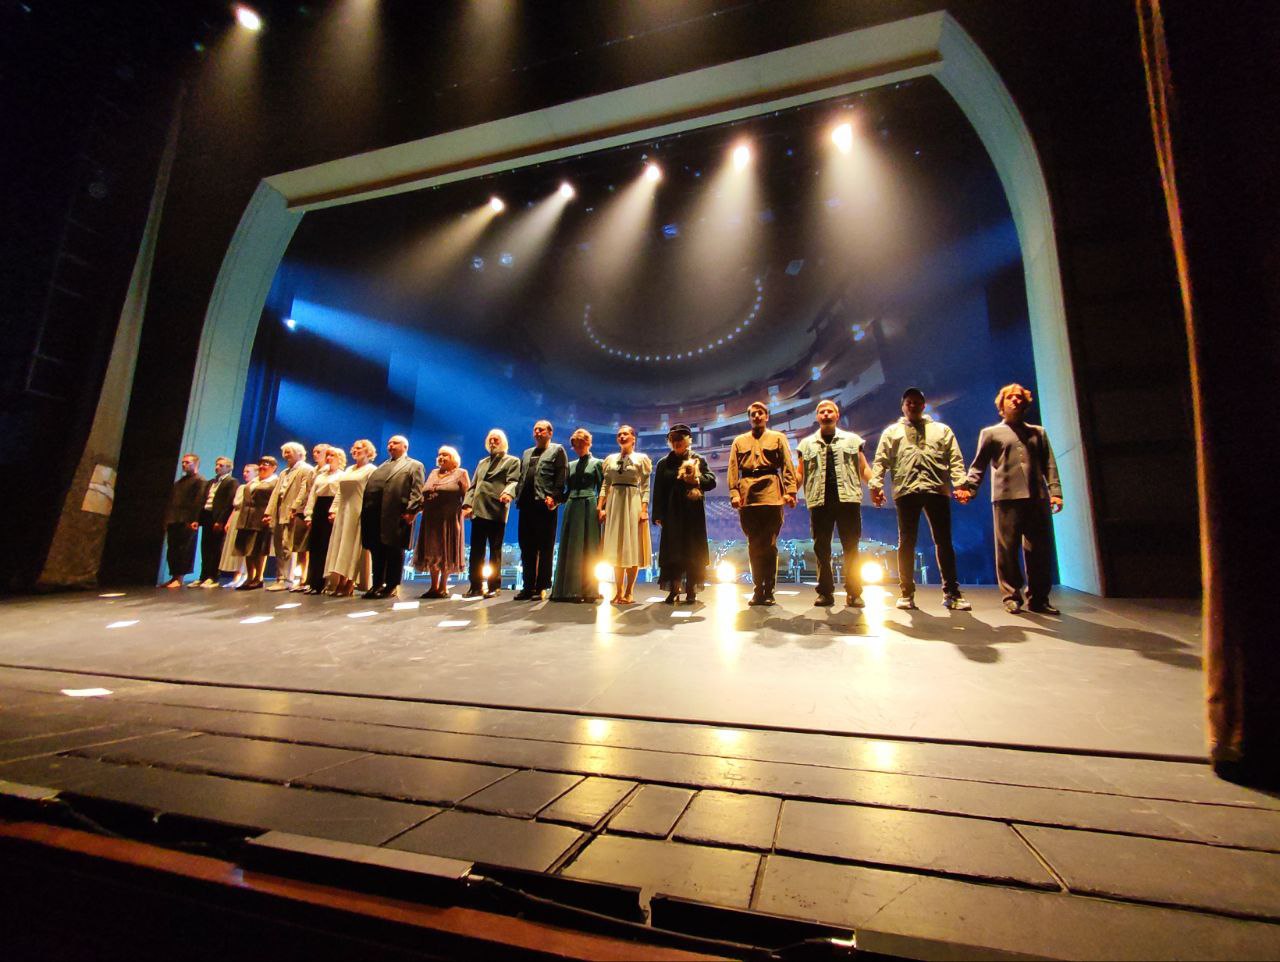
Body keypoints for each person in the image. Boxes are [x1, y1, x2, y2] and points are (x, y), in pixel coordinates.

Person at [960, 382, 1064, 615]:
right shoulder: (991, 433)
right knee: (1007, 550)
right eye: (1010, 397)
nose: (1015, 400)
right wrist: (970, 489)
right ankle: (1011, 596)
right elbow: (978, 465)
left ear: (1025, 403)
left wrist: (1055, 492)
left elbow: (1049, 464)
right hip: (1006, 497)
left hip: (1036, 497)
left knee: (1039, 551)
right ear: (1001, 404)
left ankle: (1039, 598)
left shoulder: (1038, 432)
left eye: (1019, 397)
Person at [870, 387, 971, 611]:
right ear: (903, 406)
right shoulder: (892, 432)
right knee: (906, 542)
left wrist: (960, 484)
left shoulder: (942, 430)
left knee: (944, 541)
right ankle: (906, 593)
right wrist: (876, 486)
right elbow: (880, 461)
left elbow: (955, 459)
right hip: (906, 491)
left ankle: (952, 593)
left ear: (923, 405)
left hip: (937, 490)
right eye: (909, 402)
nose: (913, 405)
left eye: (917, 402)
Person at [796, 400, 871, 608]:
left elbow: (863, 468)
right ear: (817, 417)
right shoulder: (806, 444)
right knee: (822, 549)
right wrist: (791, 490)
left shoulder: (853, 440)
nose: (826, 414)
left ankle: (854, 593)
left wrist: (874, 485)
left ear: (837, 415)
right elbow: (800, 473)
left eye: (830, 411)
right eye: (822, 412)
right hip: (819, 501)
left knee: (851, 548)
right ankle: (825, 593)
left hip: (848, 500)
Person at [728, 402, 798, 606]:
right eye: (753, 414)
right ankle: (758, 589)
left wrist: (791, 491)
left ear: (766, 416)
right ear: (749, 418)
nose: (757, 416)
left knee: (769, 544)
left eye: (760, 413)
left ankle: (769, 589)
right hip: (748, 495)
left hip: (771, 493)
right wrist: (734, 493)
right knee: (753, 544)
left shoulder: (778, 437)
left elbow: (787, 464)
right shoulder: (739, 441)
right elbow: (733, 468)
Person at [651, 424, 715, 604]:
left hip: (693, 513)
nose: (677, 442)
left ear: (688, 440)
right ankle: (674, 589)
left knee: (692, 552)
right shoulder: (663, 463)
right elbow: (658, 491)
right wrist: (658, 514)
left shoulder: (698, 459)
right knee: (673, 552)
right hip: (672, 513)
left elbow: (711, 481)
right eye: (673, 439)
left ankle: (691, 590)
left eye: (680, 438)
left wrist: (697, 480)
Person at [360, 434, 424, 600]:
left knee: (394, 550)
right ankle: (377, 584)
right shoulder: (382, 466)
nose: (390, 446)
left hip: (398, 515)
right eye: (389, 443)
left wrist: (412, 511)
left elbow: (417, 491)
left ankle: (391, 585)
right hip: (376, 514)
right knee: (377, 550)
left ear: (405, 447)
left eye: (395, 443)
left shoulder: (414, 465)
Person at [461, 429, 522, 598]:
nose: (493, 442)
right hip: (478, 509)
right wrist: (467, 504)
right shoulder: (482, 462)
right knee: (476, 551)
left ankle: (494, 586)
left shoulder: (512, 461)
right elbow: (473, 486)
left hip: (496, 509)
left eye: (496, 440)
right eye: (491, 440)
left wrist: (508, 493)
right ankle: (475, 586)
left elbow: (514, 481)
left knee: (495, 550)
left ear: (503, 442)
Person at [514, 420, 568, 601]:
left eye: (541, 430)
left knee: (545, 547)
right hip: (526, 505)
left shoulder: (557, 450)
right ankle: (528, 586)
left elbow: (561, 476)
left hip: (544, 505)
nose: (537, 432)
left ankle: (541, 587)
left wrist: (555, 497)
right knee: (526, 547)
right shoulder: (526, 453)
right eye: (535, 429)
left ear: (550, 433)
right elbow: (521, 477)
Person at [598, 425, 652, 604]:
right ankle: (618, 591)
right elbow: (606, 484)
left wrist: (644, 510)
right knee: (616, 547)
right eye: (619, 434)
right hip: (615, 503)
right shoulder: (610, 459)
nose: (622, 436)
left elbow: (645, 486)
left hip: (632, 502)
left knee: (632, 546)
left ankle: (629, 592)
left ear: (633, 438)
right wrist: (600, 507)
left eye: (626, 434)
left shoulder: (641, 459)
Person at [551, 428, 605, 602]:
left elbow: (603, 489)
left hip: (590, 506)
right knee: (571, 547)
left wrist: (603, 509)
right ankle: (568, 589)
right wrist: (556, 501)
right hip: (572, 506)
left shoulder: (598, 463)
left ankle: (589, 590)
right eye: (575, 444)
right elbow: (567, 490)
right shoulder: (570, 465)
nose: (578, 447)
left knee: (590, 547)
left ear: (588, 443)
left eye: (582, 443)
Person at [414, 445, 471, 599]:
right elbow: (424, 494)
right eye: (439, 455)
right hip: (430, 519)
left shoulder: (461, 473)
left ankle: (443, 587)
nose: (441, 457)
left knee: (446, 550)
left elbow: (468, 496)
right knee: (432, 551)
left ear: (453, 458)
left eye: (445, 455)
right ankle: (433, 586)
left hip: (449, 519)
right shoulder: (433, 473)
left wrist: (465, 512)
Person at [325, 439, 376, 597]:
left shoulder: (371, 470)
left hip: (358, 510)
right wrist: (333, 509)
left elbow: (371, 493)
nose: (354, 450)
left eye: (359, 448)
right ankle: (340, 580)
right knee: (340, 546)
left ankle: (350, 582)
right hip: (343, 511)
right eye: (353, 448)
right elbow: (340, 492)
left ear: (368, 451)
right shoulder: (349, 469)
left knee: (352, 547)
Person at [264, 441, 314, 591]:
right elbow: (276, 493)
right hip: (280, 510)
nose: (285, 455)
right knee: (279, 546)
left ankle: (288, 579)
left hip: (293, 512)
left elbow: (305, 490)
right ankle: (280, 577)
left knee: (289, 546)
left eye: (288, 452)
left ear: (299, 453)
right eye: (284, 452)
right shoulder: (284, 472)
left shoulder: (306, 469)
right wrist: (269, 512)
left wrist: (295, 508)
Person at [301, 445, 344, 594]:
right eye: (328, 455)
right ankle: (312, 581)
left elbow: (340, 495)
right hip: (319, 508)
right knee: (314, 546)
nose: (329, 458)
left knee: (326, 546)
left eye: (332, 455)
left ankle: (324, 582)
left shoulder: (341, 475)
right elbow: (313, 495)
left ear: (339, 458)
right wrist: (308, 514)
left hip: (330, 509)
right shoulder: (321, 475)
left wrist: (334, 511)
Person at [192, 456, 239, 588]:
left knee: (216, 547)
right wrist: (197, 519)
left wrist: (220, 520)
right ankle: (203, 576)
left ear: (229, 468)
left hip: (218, 518)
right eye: (217, 465)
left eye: (221, 465)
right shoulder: (211, 482)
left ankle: (213, 576)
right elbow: (203, 500)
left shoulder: (231, 482)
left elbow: (228, 503)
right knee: (205, 547)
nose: (217, 467)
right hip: (207, 516)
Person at [234, 456, 279, 590]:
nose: (262, 466)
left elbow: (276, 501)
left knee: (259, 549)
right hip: (247, 518)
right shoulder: (254, 481)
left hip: (261, 518)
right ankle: (249, 576)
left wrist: (270, 515)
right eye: (261, 464)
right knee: (247, 549)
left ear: (274, 467)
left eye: (266, 464)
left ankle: (258, 577)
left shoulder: (274, 482)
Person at [162, 453, 206, 587]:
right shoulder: (179, 482)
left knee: (184, 549)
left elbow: (198, 502)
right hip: (174, 519)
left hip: (187, 520)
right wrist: (167, 519)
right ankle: (174, 576)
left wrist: (194, 519)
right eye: (183, 462)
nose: (184, 465)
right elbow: (172, 502)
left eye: (187, 462)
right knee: (172, 549)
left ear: (195, 464)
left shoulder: (199, 481)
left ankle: (179, 578)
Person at [290, 443, 330, 591]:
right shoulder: (313, 470)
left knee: (316, 546)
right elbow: (306, 490)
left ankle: (312, 579)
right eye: (314, 451)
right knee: (302, 546)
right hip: (306, 510)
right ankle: (303, 578)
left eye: (319, 452)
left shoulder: (328, 471)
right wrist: (296, 506)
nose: (315, 454)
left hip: (320, 510)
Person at [218, 463, 256, 587]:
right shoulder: (241, 487)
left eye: (248, 472)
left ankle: (245, 574)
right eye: (244, 471)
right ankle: (237, 576)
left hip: (247, 517)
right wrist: (229, 521)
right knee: (235, 546)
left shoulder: (256, 486)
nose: (245, 474)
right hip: (237, 516)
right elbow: (235, 507)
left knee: (244, 546)